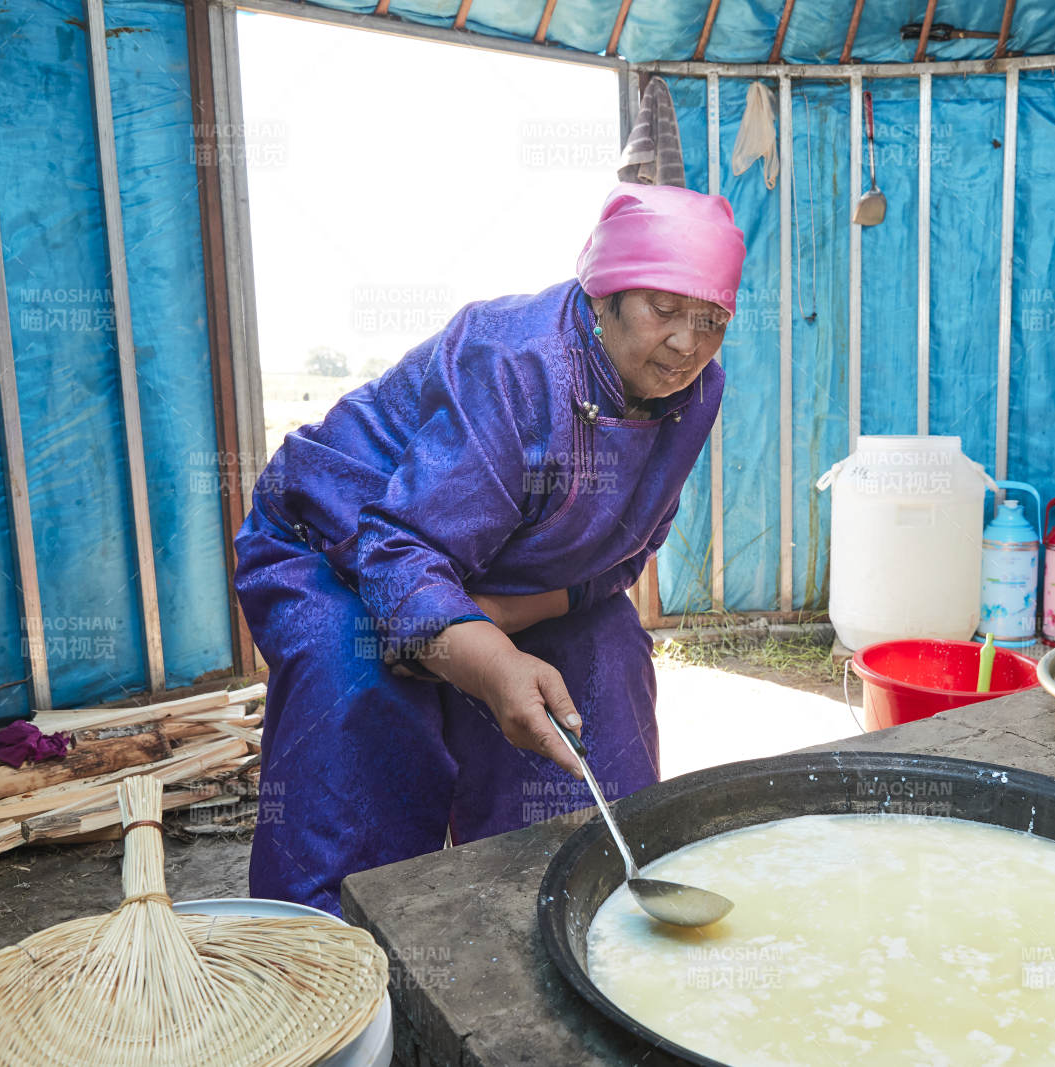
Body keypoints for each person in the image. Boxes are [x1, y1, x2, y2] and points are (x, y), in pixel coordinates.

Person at [233, 184, 747, 913]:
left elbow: (623, 554)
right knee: (363, 689)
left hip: (506, 573)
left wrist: (493, 621)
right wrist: (486, 654)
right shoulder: (516, 363)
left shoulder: (698, 393)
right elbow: (396, 548)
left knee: (606, 656)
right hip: (342, 542)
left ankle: (562, 912)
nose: (688, 343)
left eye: (711, 320)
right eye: (663, 309)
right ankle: (339, 959)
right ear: (604, 296)